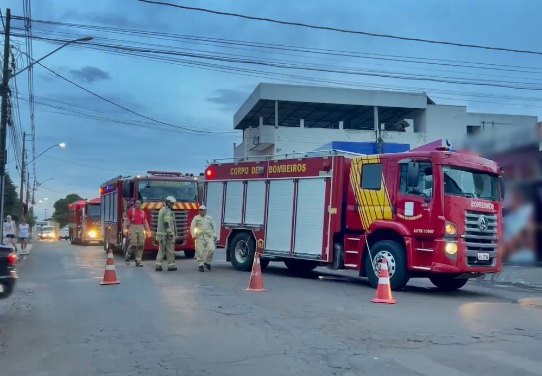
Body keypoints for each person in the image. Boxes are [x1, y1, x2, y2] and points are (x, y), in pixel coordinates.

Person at [124, 200, 151, 267]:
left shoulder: (143, 212)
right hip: (133, 227)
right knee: (133, 244)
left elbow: (145, 222)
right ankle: (127, 257)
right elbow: (126, 220)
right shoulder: (131, 211)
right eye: (136, 203)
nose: (137, 204)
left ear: (141, 204)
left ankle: (138, 261)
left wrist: (148, 231)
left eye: (139, 203)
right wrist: (124, 228)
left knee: (141, 245)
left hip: (141, 228)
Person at [190, 205, 216, 272]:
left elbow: (214, 227)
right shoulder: (196, 218)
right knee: (200, 252)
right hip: (200, 237)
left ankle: (207, 262)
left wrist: (215, 235)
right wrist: (193, 235)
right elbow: (192, 227)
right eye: (200, 210)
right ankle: (201, 265)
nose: (201, 211)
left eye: (202, 210)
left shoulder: (209, 218)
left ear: (205, 211)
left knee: (212, 249)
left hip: (208, 236)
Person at [155, 196, 178, 272]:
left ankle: (158, 265)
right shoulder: (167, 211)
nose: (173, 205)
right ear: (168, 202)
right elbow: (167, 223)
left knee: (161, 250)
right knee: (170, 250)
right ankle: (171, 266)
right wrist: (171, 233)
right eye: (172, 203)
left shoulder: (162, 210)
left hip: (161, 235)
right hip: (167, 235)